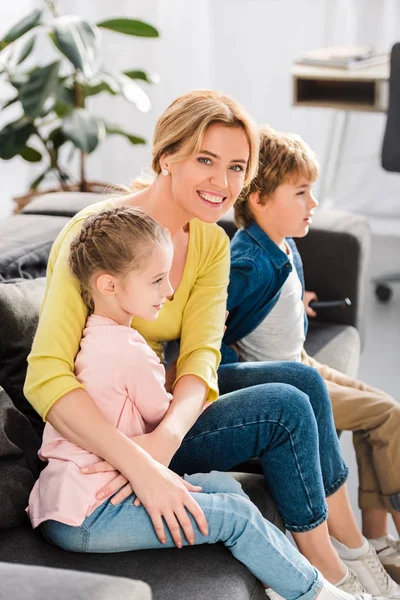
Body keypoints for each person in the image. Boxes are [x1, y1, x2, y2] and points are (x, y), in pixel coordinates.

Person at [24, 90, 379, 594]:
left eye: (238, 167)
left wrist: (166, 439)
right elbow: (47, 376)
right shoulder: (99, 237)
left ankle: (350, 552)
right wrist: (142, 464)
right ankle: (331, 577)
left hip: (157, 410)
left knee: (301, 380)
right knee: (283, 406)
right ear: (167, 157)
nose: (223, 183)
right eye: (205, 160)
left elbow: (201, 355)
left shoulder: (210, 240)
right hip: (108, 428)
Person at [222, 124, 400, 593]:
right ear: (258, 198)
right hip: (293, 374)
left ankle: (379, 538)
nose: (313, 204)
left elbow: (276, 298)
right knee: (386, 415)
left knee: (387, 410)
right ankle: (380, 539)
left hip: (303, 359)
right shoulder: (245, 264)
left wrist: (295, 304)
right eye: (300, 192)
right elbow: (211, 330)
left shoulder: (285, 247)